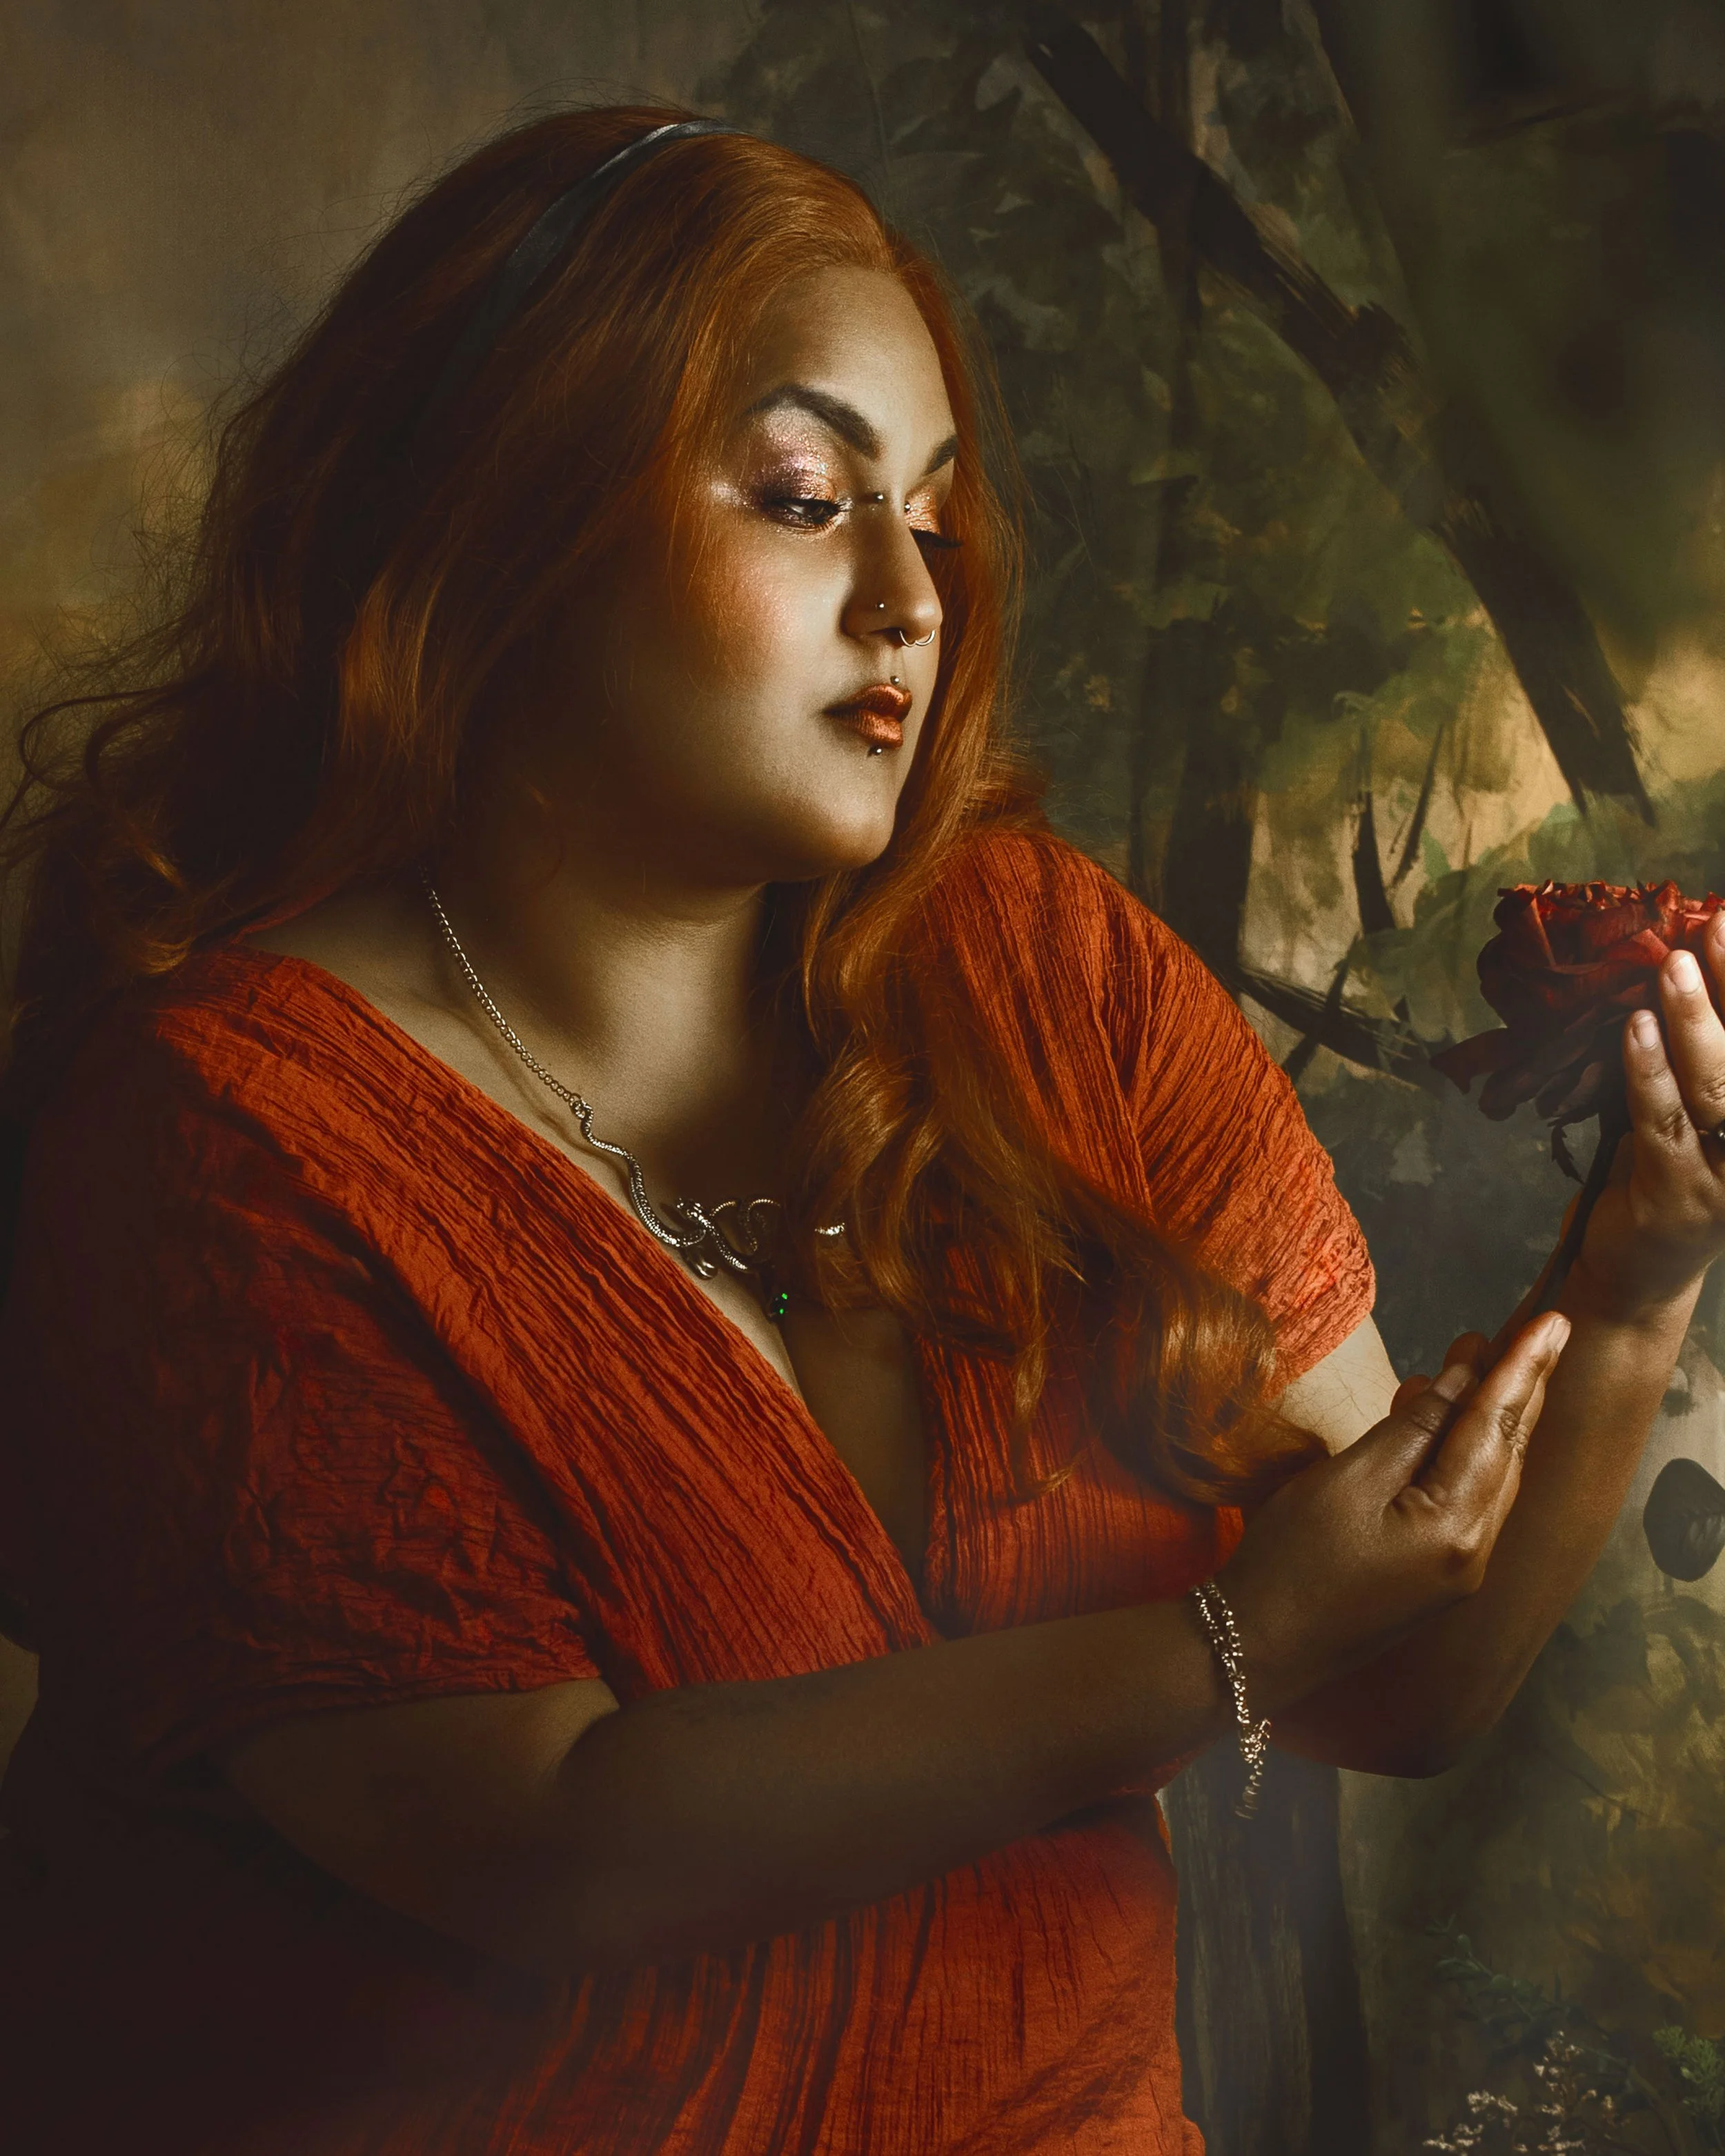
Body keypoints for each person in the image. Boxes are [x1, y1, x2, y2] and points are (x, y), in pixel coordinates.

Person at [0, 105, 1720, 2156]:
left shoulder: (1039, 972)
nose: (910, 594)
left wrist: (1625, 1290)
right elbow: (547, 1843)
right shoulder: (218, 1137)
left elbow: (1397, 1689)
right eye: (808, 498)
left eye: (935, 512)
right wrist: (1218, 1645)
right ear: (507, 520)